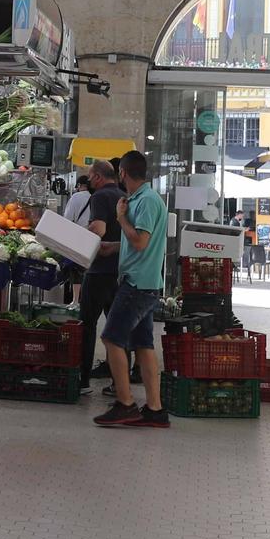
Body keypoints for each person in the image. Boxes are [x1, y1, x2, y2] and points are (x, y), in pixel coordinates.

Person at [94, 150, 170, 428]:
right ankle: (155, 409)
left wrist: (120, 219)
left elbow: (140, 242)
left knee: (112, 339)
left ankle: (125, 403)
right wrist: (112, 247)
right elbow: (136, 243)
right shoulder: (140, 199)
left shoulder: (146, 201)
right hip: (143, 281)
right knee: (143, 345)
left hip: (138, 284)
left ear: (123, 173)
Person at [78, 158, 126, 391]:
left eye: (90, 176)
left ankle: (83, 380)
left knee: (86, 326)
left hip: (99, 271)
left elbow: (99, 230)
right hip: (121, 271)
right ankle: (119, 384)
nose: (89, 181)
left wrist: (75, 234)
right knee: (117, 329)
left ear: (97, 177)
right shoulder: (123, 197)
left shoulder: (98, 197)